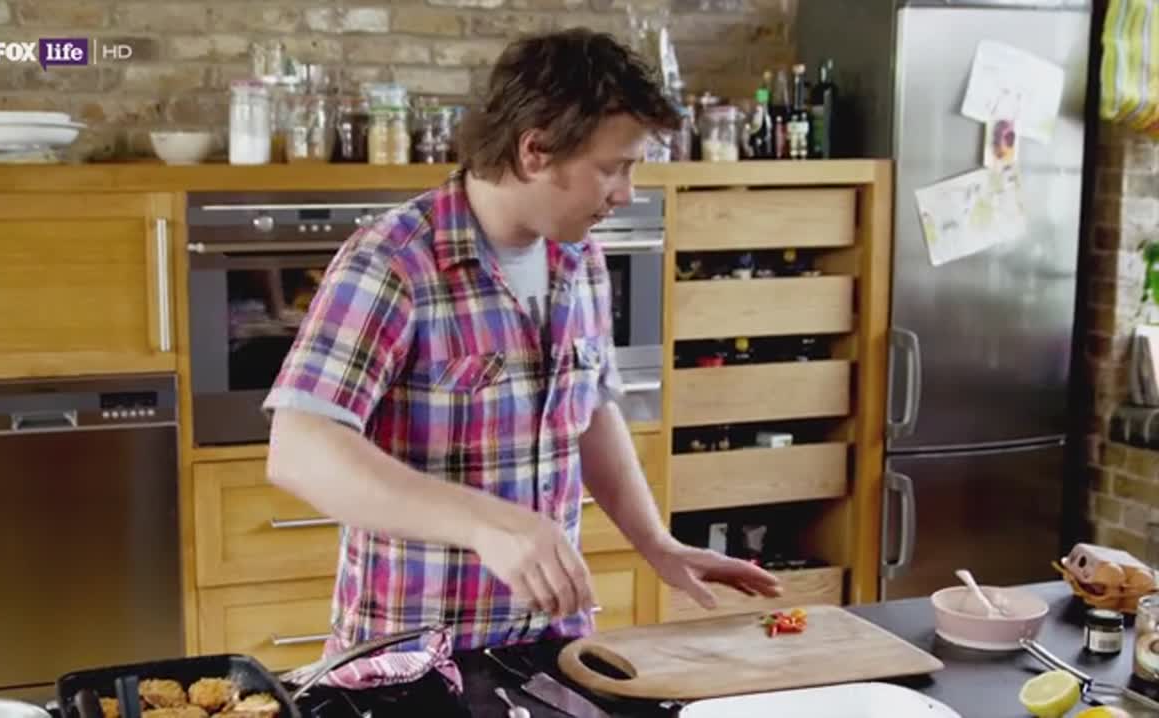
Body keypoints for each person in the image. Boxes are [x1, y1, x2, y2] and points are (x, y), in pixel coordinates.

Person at [263, 26, 782, 686]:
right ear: (535, 151)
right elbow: (299, 449)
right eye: (613, 167)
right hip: (411, 665)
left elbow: (589, 412)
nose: (626, 192)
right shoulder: (393, 261)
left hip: (551, 650)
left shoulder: (580, 257)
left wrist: (655, 541)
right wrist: (486, 525)